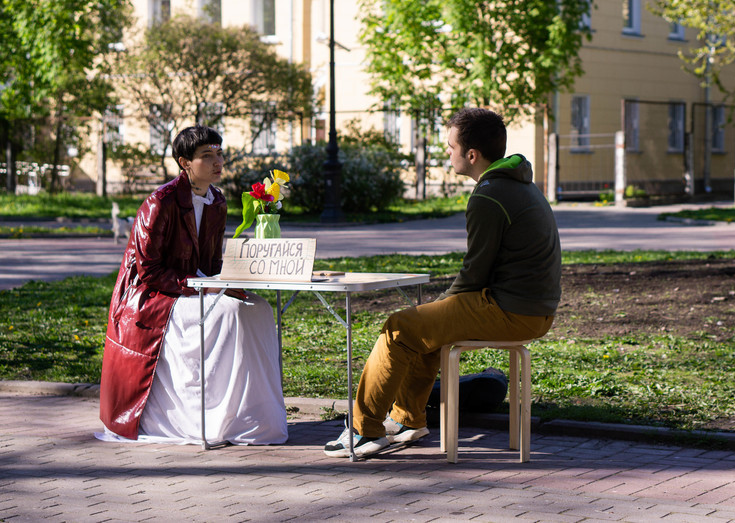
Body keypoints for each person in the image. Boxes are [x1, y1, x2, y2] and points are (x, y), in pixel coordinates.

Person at [324, 108, 561, 457]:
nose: (446, 153)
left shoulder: (489, 195)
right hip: (534, 309)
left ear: (471, 154)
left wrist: (441, 303)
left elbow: (475, 271)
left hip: (512, 310)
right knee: (427, 328)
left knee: (398, 327)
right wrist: (440, 307)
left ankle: (364, 430)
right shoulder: (518, 182)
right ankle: (408, 420)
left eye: (450, 147)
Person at [98, 125, 287, 445]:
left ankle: (250, 417)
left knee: (257, 308)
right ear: (185, 163)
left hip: (198, 287)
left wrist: (228, 279)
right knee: (228, 314)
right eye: (207, 156)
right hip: (152, 296)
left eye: (220, 154)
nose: (218, 162)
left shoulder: (217, 202)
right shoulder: (161, 202)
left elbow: (213, 264)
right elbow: (148, 271)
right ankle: (211, 418)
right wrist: (201, 286)